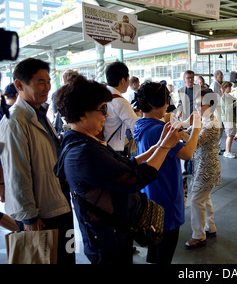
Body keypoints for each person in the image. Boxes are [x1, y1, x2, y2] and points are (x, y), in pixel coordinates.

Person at [54, 75, 182, 264]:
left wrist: (158, 147)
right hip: (106, 238)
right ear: (82, 114)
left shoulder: (85, 142)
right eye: (102, 109)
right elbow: (134, 178)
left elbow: (124, 164)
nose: (106, 115)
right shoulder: (83, 152)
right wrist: (164, 147)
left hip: (114, 231)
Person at [0, 58, 74, 264]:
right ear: (19, 85)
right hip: (42, 212)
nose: (47, 87)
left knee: (65, 257)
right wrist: (29, 217)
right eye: (40, 82)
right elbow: (17, 172)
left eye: (49, 81)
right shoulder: (15, 120)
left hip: (58, 201)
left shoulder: (40, 113)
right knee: (46, 259)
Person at [133, 81, 202, 264]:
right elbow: (187, 154)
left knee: (154, 247)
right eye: (166, 101)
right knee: (164, 253)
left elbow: (164, 119)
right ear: (157, 104)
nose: (167, 105)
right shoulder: (158, 131)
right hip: (166, 198)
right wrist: (196, 129)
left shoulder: (141, 124)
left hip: (151, 195)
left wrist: (183, 122)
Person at [184, 88, 221, 249]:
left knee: (196, 199)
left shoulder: (212, 123)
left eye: (201, 104)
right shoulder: (204, 120)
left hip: (207, 167)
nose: (197, 107)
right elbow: (190, 131)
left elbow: (196, 141)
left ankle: (198, 235)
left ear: (211, 105)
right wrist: (183, 130)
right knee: (204, 197)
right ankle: (210, 227)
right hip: (202, 165)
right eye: (197, 104)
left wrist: (179, 134)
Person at [103, 61, 140, 153]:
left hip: (100, 146)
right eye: (128, 79)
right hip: (113, 149)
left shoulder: (102, 95)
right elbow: (136, 126)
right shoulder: (120, 101)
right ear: (123, 80)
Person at [221, 81, 237, 159]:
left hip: (230, 117)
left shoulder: (228, 96)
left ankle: (228, 151)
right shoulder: (224, 97)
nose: (230, 88)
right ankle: (227, 152)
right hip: (228, 118)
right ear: (225, 88)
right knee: (230, 135)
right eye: (229, 87)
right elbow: (228, 107)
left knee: (231, 134)